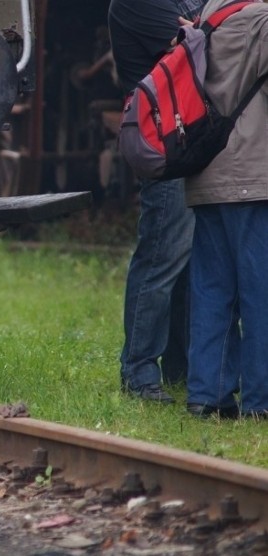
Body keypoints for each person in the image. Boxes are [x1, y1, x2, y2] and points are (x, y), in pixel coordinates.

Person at [108, 0, 206, 403]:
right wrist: (204, 28)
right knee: (162, 256)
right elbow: (202, 46)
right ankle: (139, 369)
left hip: (194, 134)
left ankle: (180, 365)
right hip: (165, 137)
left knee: (190, 260)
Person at [183, 0, 268, 419]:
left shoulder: (208, 13)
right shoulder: (263, 19)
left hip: (206, 171)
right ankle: (261, 400)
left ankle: (207, 395)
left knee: (212, 288)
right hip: (253, 173)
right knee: (261, 292)